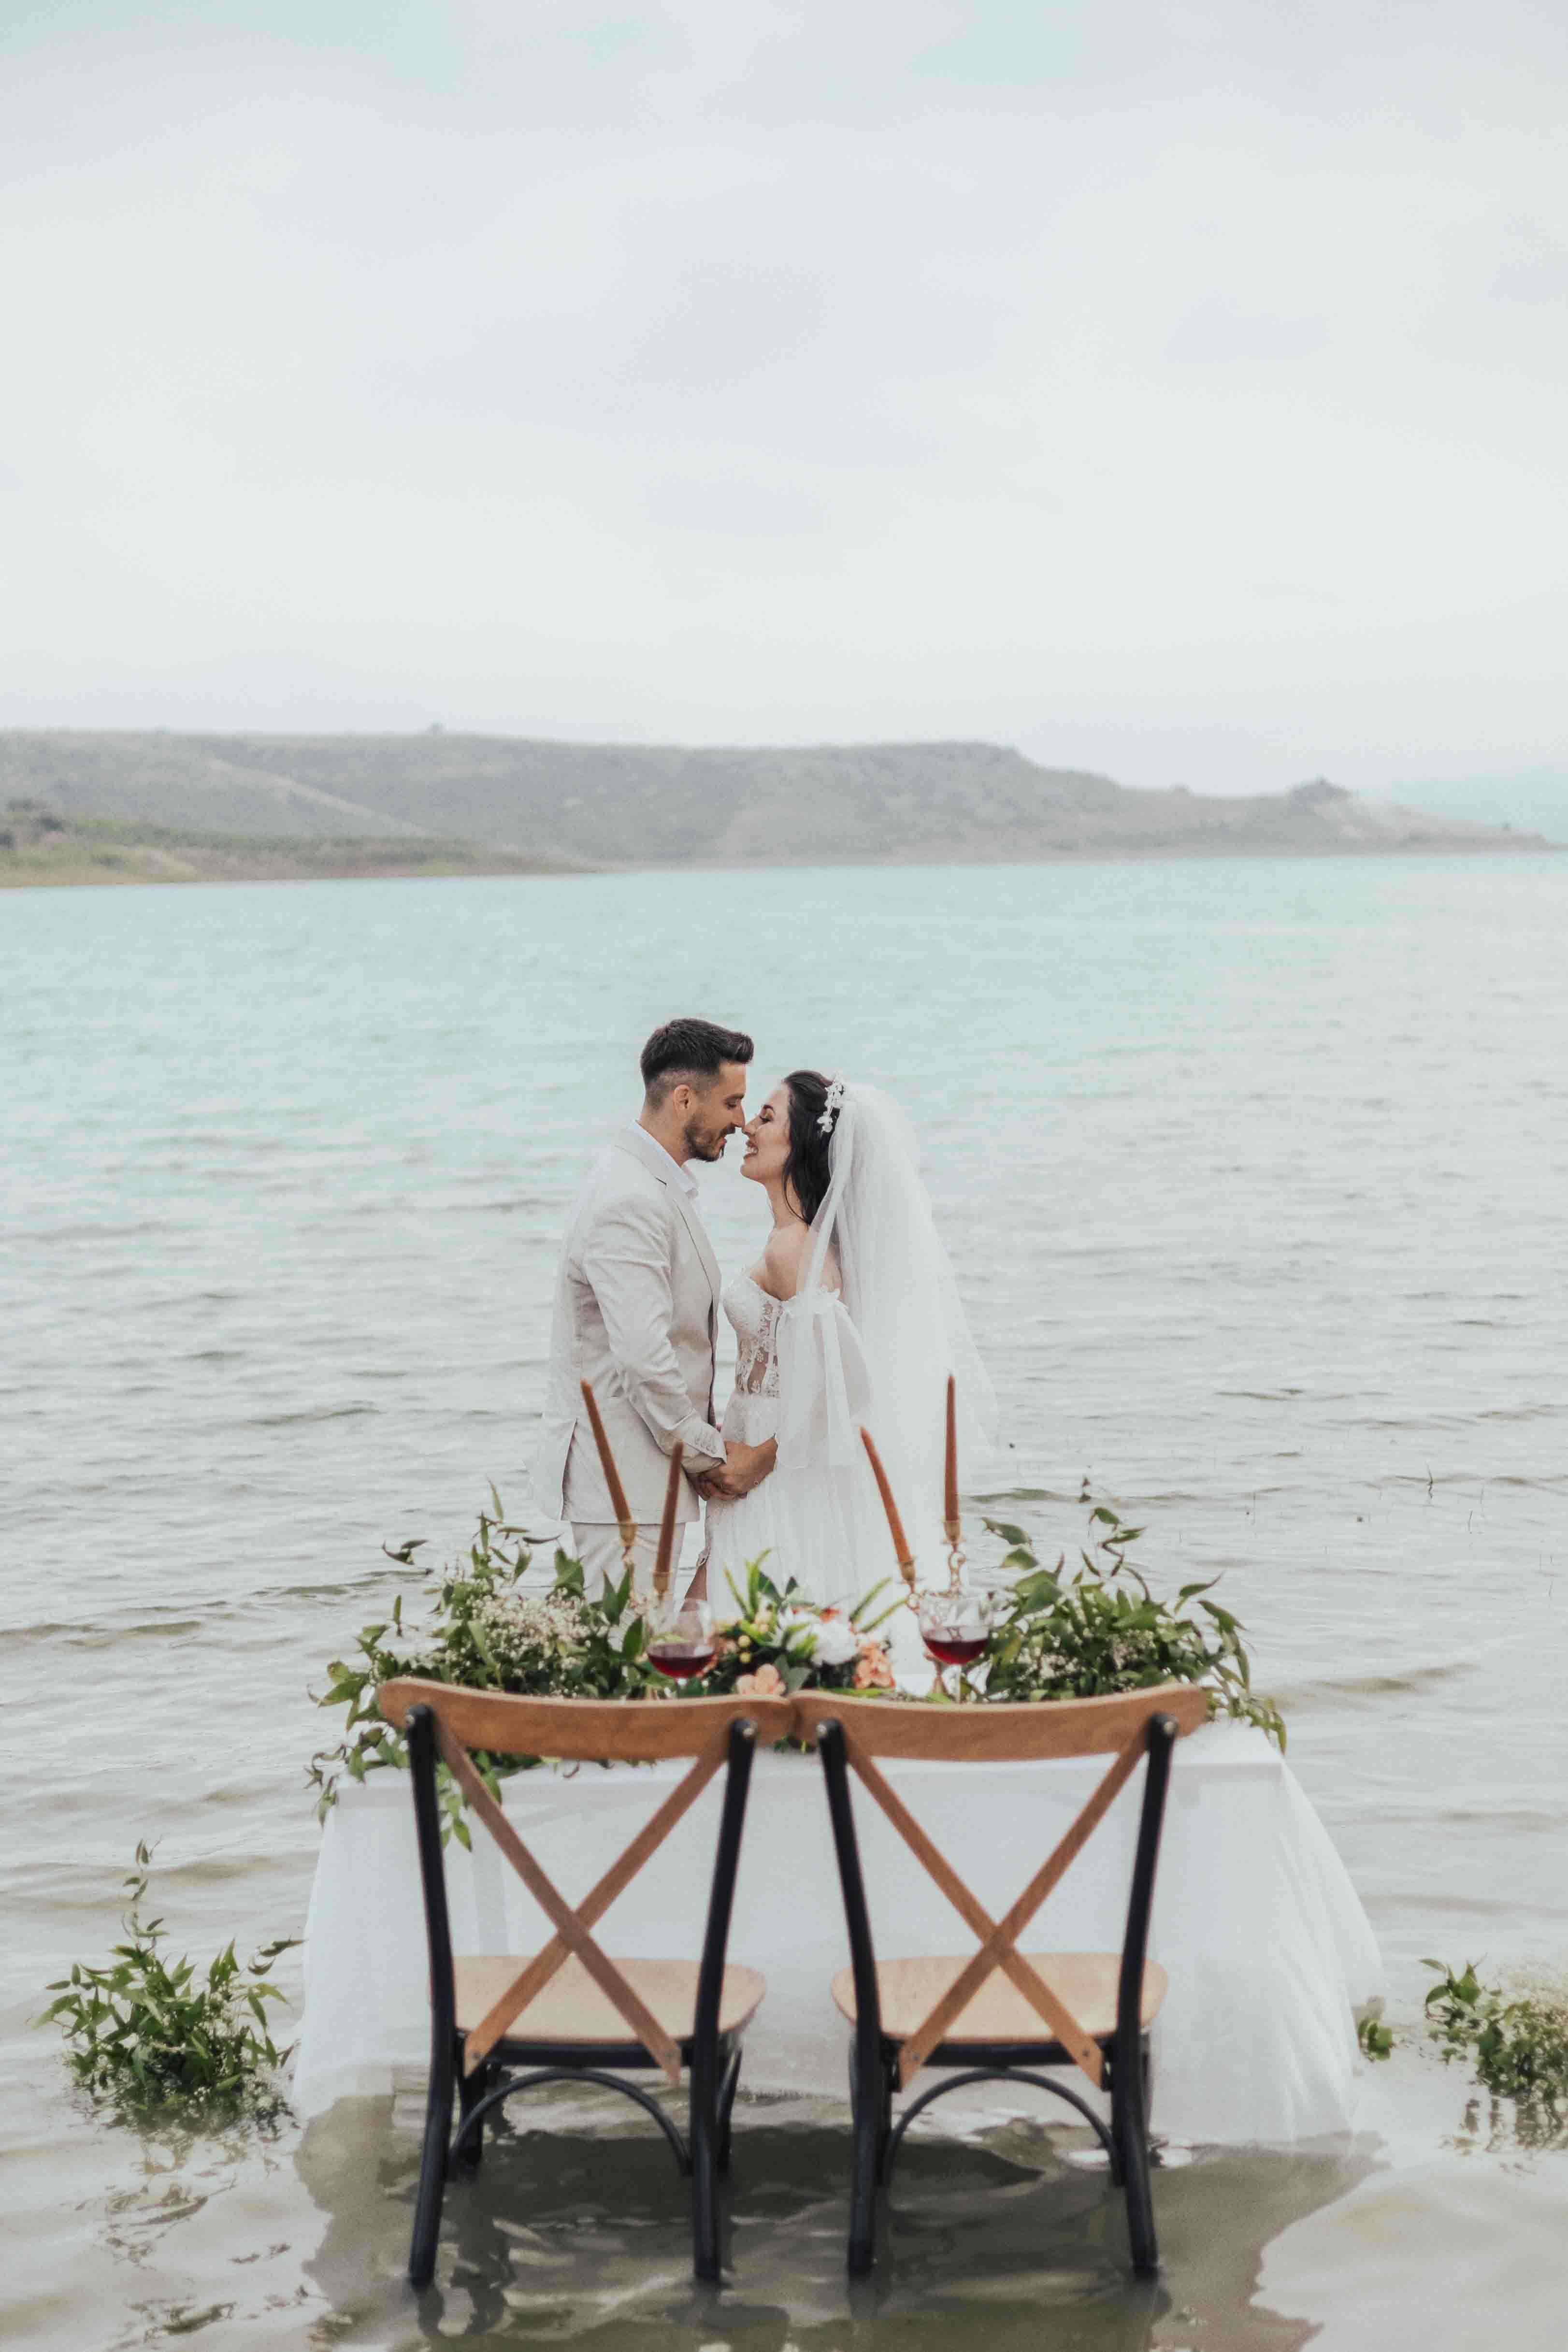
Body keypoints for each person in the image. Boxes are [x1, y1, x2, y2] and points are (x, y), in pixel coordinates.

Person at [696, 1070, 995, 1623]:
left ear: (803, 1142)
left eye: (766, 1117)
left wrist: (757, 1461)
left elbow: (846, 1381)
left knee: (738, 1620)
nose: (747, 1128)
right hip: (767, 1451)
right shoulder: (794, 1242)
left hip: (779, 1470)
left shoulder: (795, 1249)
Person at [532, 1018, 777, 1597]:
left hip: (648, 1478)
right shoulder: (630, 1200)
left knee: (652, 1655)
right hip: (622, 1483)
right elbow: (645, 1358)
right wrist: (714, 1455)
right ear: (683, 1098)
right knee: (629, 1662)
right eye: (732, 1102)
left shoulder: (652, 1184)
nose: (740, 1121)